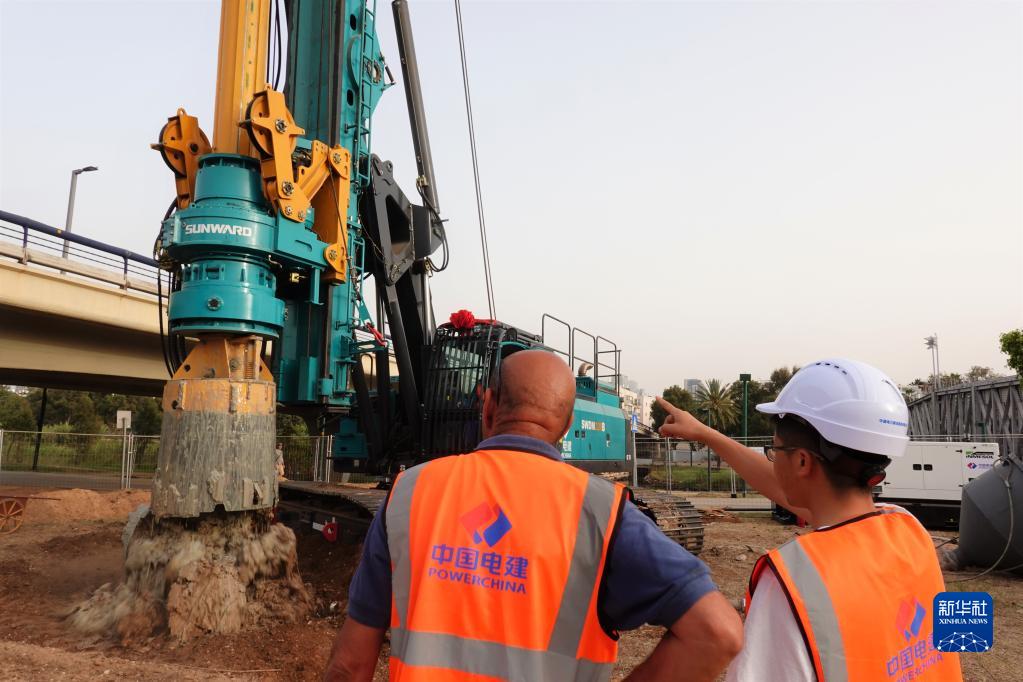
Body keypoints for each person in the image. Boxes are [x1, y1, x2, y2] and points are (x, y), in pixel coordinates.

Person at [325, 350, 742, 681]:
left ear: (488, 406)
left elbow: (350, 666)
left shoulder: (410, 493)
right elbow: (717, 634)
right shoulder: (602, 513)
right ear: (567, 424)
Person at [656, 359, 962, 682]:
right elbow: (791, 489)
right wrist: (706, 434)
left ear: (802, 462)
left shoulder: (795, 584)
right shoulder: (907, 529)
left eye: (774, 451)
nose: (772, 461)